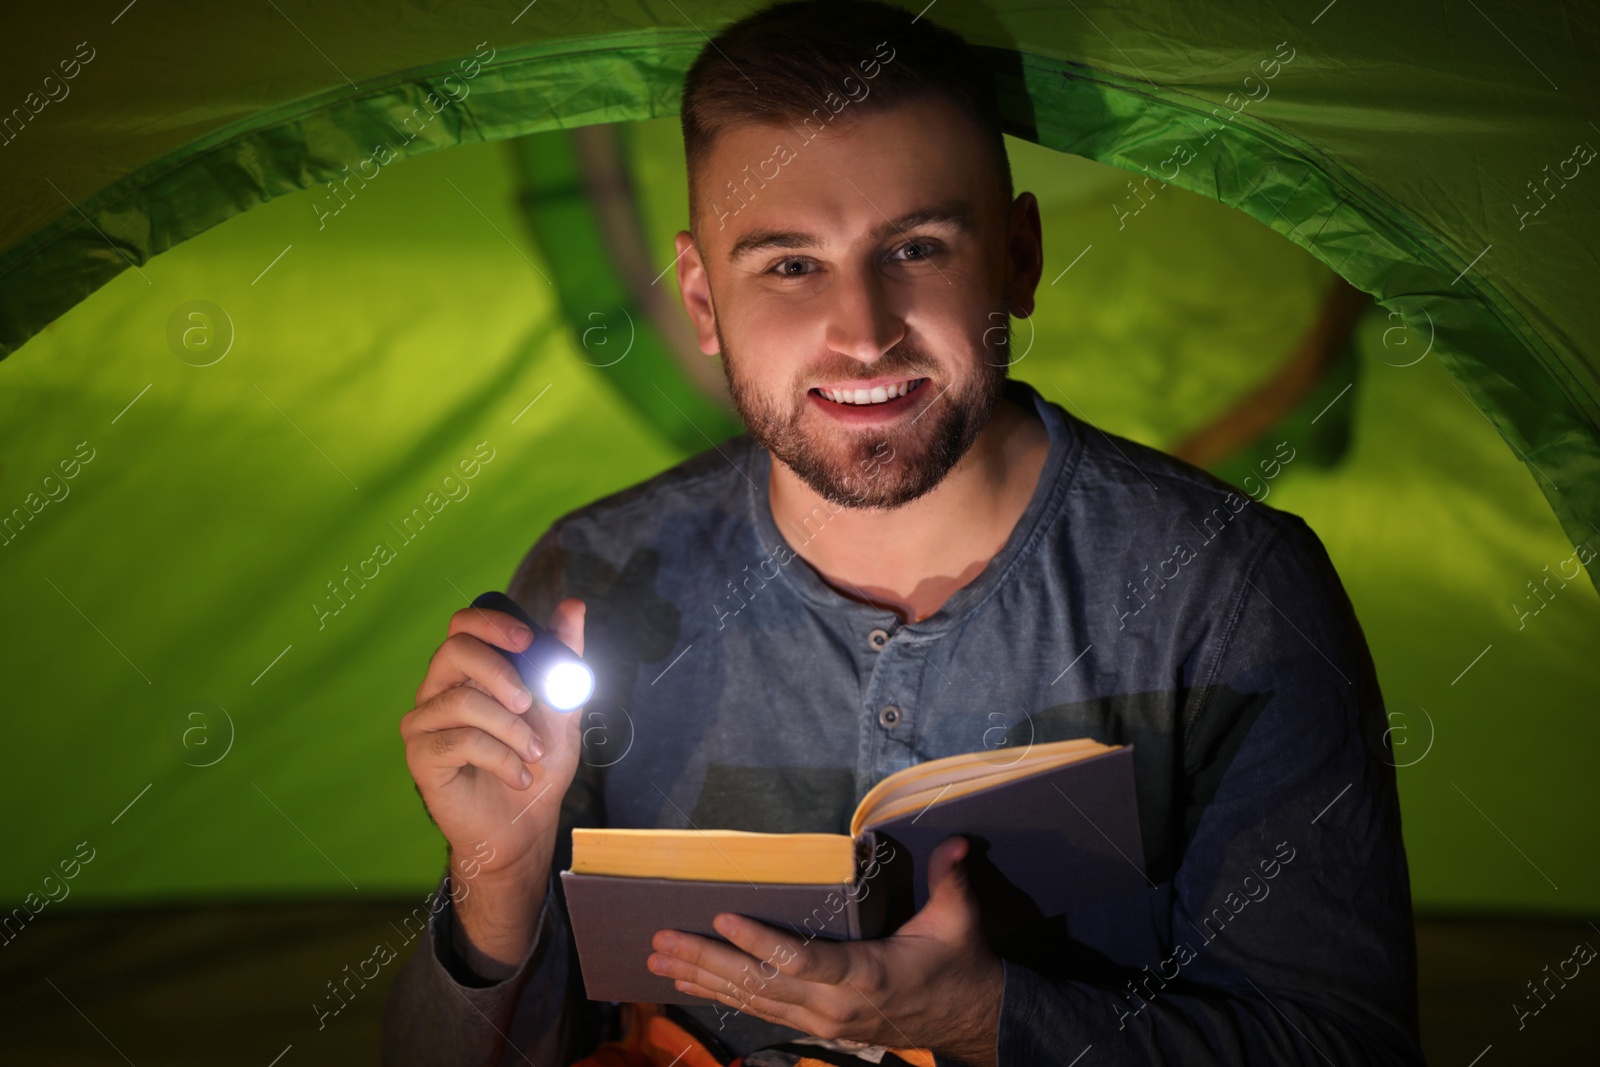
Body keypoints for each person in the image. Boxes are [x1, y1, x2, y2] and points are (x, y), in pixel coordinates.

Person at [383, 2, 1423, 1064]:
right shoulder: (596, 579)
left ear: (1017, 256)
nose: (864, 334)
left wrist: (985, 1016)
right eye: (790, 264)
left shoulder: (1231, 591)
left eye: (916, 247)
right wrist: (496, 881)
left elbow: (1346, 1046)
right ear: (700, 296)